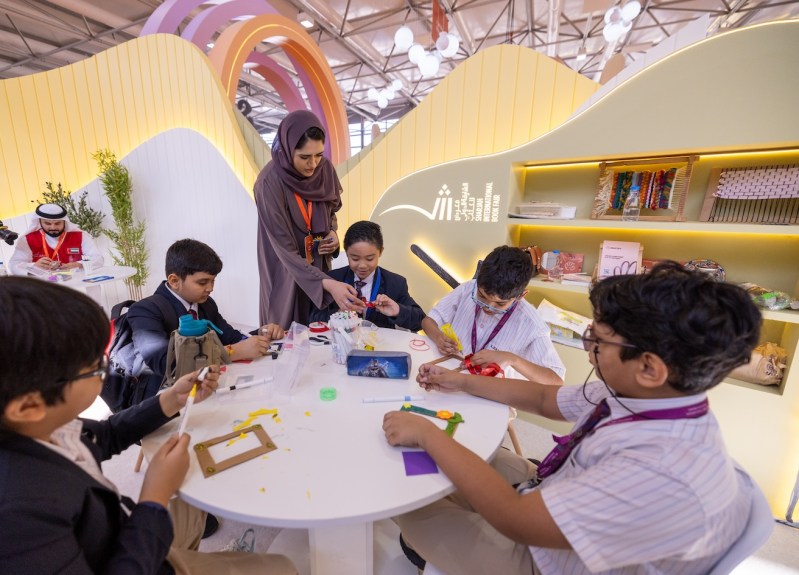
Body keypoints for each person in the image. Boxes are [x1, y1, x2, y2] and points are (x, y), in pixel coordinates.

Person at [383, 262, 762, 575]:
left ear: (649, 367)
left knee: (409, 496)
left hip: (543, 561)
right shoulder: (642, 394)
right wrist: (459, 381)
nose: (588, 347)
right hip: (548, 489)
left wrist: (429, 435)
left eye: (596, 340)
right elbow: (546, 399)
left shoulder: (659, 468)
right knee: (455, 457)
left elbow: (516, 519)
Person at [0, 277, 297, 574]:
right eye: (96, 368)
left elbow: (100, 435)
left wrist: (169, 398)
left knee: (193, 491)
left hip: (118, 523)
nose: (104, 372)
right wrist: (153, 497)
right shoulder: (3, 519)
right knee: (281, 566)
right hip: (129, 555)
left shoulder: (4, 419)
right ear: (29, 404)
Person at [127, 239, 284, 402]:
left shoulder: (205, 304)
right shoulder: (145, 310)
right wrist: (232, 352)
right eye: (203, 282)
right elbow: (166, 363)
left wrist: (260, 334)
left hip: (205, 389)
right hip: (164, 400)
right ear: (174, 281)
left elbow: (229, 336)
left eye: (212, 281)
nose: (210, 288)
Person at [255, 109, 359, 327]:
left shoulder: (324, 169)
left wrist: (332, 231)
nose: (313, 164)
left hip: (318, 262)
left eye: (319, 155)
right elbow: (285, 250)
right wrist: (328, 284)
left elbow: (332, 207)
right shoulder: (269, 183)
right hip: (285, 269)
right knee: (287, 336)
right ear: (287, 148)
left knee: (321, 332)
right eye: (304, 157)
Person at [422, 245, 565, 384]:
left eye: (500, 304)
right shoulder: (467, 289)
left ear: (521, 295)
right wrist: (439, 337)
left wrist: (512, 359)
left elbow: (556, 381)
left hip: (491, 395)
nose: (488, 307)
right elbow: (429, 321)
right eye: (482, 297)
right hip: (449, 378)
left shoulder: (531, 324)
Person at [310, 220, 426, 331]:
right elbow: (312, 318)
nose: (362, 265)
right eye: (355, 258)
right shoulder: (333, 280)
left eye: (370, 259)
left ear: (380, 252)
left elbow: (420, 320)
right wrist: (339, 314)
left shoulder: (395, 283)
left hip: (379, 347)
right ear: (346, 252)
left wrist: (398, 311)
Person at [8, 202, 103, 275]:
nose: (53, 227)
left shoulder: (80, 236)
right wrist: (34, 266)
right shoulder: (27, 240)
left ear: (64, 222)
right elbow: (14, 265)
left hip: (78, 288)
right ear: (40, 222)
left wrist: (78, 264)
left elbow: (98, 259)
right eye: (47, 223)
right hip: (44, 290)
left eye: (57, 223)